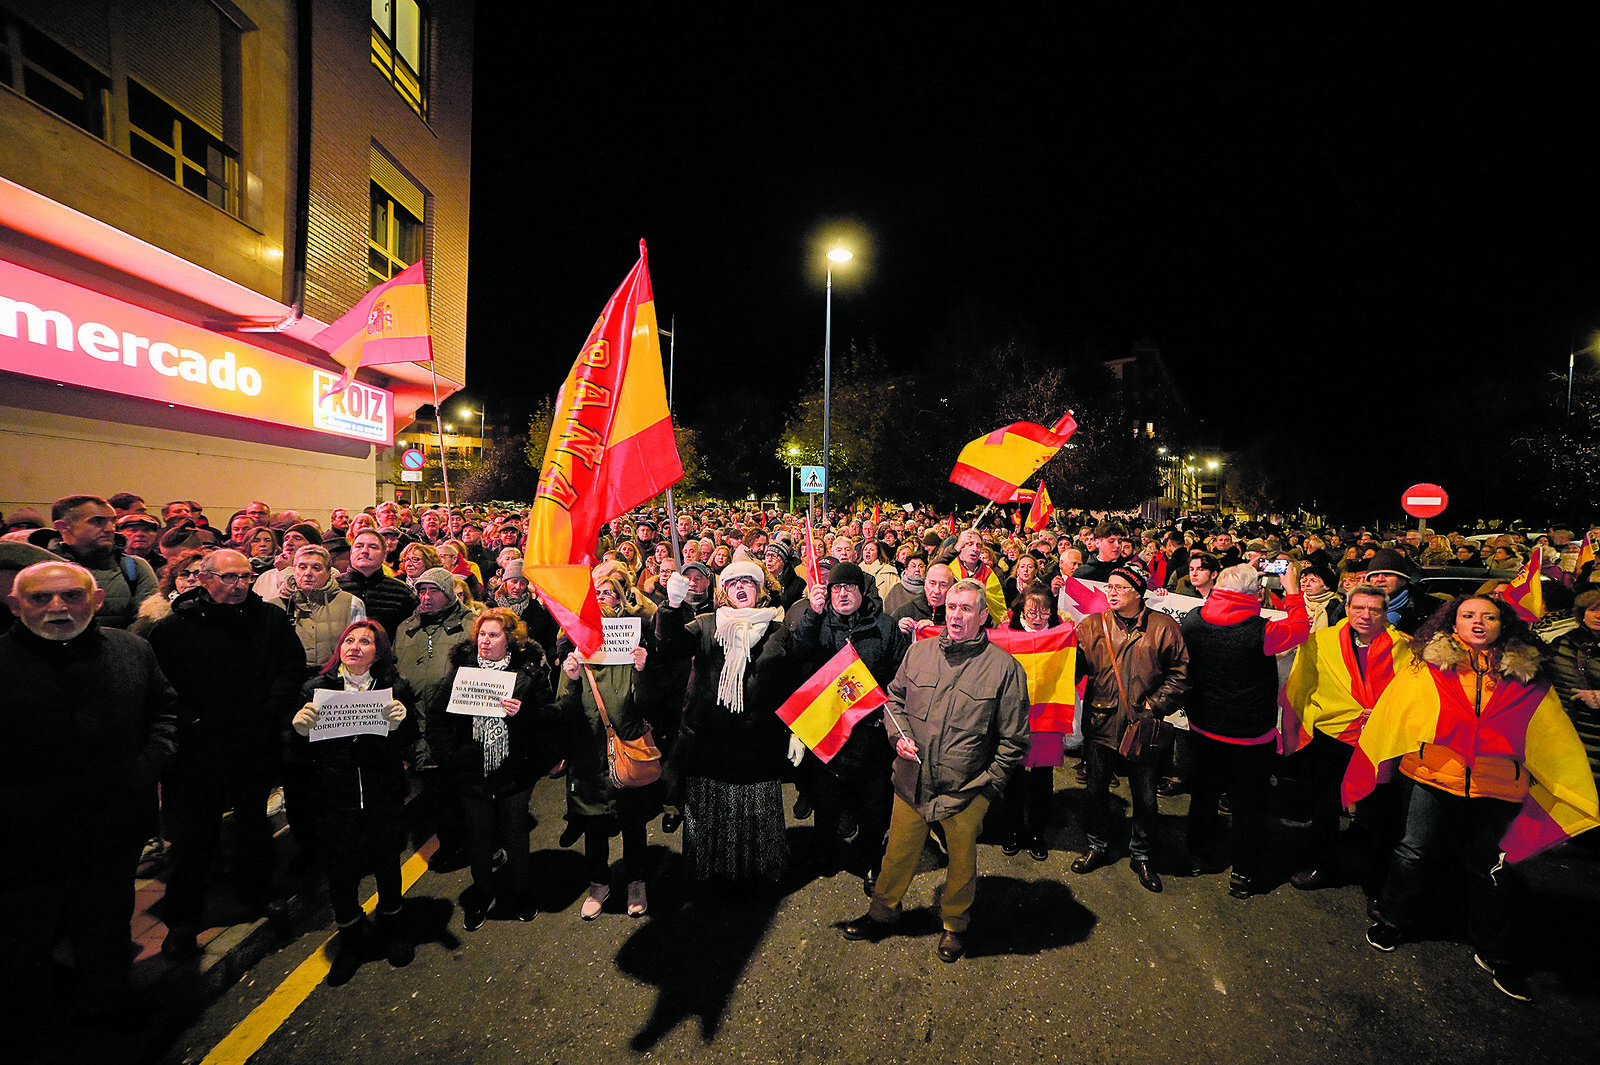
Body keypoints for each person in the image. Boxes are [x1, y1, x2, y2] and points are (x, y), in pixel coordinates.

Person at [1351, 595, 1600, 1001]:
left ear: (1504, 624)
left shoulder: (1528, 674)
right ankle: (1393, 919)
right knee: (1414, 852)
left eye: (1488, 616)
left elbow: (1548, 733)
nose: (1478, 622)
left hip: (1498, 786)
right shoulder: (1427, 666)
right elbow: (1394, 714)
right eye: (1468, 615)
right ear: (1454, 622)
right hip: (1431, 777)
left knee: (1490, 868)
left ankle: (1492, 949)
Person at [0, 561, 180, 1044]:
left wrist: (149, 766)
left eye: (71, 596)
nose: (58, 607)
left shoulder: (131, 650)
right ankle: (31, 1030)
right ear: (15, 605)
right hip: (25, 839)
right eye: (41, 598)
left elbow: (164, 712)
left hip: (113, 828)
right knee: (24, 942)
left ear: (96, 600)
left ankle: (108, 1011)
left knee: (104, 929)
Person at [842, 580, 1029, 963]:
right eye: (952, 606)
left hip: (966, 789)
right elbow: (893, 700)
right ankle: (882, 913)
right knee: (896, 854)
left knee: (962, 864)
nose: (956, 614)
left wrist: (988, 788)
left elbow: (1014, 739)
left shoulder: (1005, 669)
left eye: (966, 609)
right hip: (912, 781)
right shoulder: (919, 654)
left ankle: (954, 926)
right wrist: (898, 739)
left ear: (982, 616)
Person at [145, 549, 306, 957]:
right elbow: (159, 686)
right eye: (229, 578)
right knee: (193, 838)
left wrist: (269, 711)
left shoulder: (269, 619)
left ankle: (259, 894)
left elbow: (291, 665)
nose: (238, 586)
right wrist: (191, 721)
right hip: (196, 751)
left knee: (252, 826)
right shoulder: (172, 628)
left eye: (245, 577)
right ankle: (183, 918)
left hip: (252, 743)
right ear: (204, 578)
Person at [289, 621, 415, 984]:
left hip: (381, 793)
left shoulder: (393, 688)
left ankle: (393, 927)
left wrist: (401, 725)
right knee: (341, 871)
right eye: (349, 640)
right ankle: (352, 938)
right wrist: (298, 731)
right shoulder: (316, 689)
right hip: (334, 797)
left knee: (387, 861)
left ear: (379, 652)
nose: (355, 646)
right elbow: (297, 752)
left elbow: (409, 737)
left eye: (365, 641)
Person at [657, 560, 798, 884]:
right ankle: (710, 876)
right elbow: (671, 645)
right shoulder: (707, 624)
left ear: (760, 590)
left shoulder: (776, 631)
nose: (740, 588)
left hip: (757, 745)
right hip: (710, 743)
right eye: (734, 583)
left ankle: (759, 875)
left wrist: (794, 730)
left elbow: (787, 682)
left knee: (756, 814)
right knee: (711, 814)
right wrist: (671, 606)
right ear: (724, 591)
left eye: (748, 582)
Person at [1180, 562, 1309, 899]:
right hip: (1250, 735)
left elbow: (1213, 605)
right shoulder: (1261, 631)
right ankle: (1243, 871)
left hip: (1203, 725)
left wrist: (1234, 576)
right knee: (1248, 804)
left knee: (1204, 794)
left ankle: (1198, 851)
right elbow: (1300, 629)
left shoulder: (1194, 620)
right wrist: (1293, 590)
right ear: (1256, 594)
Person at [1280, 583, 1411, 901]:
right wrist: (1291, 731)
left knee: (1380, 815)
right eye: (1358, 608)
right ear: (1347, 608)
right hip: (1331, 738)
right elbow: (1300, 684)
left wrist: (1384, 711)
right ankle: (1323, 865)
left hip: (1380, 741)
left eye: (1374, 609)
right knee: (1325, 808)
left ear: (1386, 613)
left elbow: (1414, 695)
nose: (1365, 615)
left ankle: (1377, 883)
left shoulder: (1405, 647)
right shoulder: (1321, 641)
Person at [432, 609, 557, 929]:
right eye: (482, 635)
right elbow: (439, 718)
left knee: (515, 832)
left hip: (514, 769)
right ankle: (482, 892)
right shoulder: (461, 670)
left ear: (510, 639)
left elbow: (548, 719)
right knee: (479, 835)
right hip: (472, 770)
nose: (485, 641)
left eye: (493, 635)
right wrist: (450, 757)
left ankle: (521, 891)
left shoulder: (528, 673)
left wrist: (524, 713)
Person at [791, 561, 911, 894]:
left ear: (862, 590)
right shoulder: (818, 623)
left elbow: (900, 675)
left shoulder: (884, 627)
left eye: (850, 587)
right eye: (836, 588)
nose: (843, 593)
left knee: (873, 806)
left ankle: (872, 862)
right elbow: (798, 652)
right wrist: (814, 616)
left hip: (870, 735)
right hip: (828, 731)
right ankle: (824, 854)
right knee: (826, 802)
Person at [1072, 564, 1190, 892]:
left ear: (1138, 593)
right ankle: (1097, 845)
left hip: (1144, 727)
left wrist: (1152, 708)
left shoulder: (1164, 627)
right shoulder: (1091, 625)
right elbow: (1071, 667)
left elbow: (1180, 674)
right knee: (1096, 790)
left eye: (1120, 587)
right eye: (1109, 586)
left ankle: (1142, 854)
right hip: (1100, 722)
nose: (1110, 592)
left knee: (1146, 796)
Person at [558, 629, 658, 920]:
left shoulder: (629, 656)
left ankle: (636, 883)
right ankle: (599, 884)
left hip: (626, 756)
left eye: (608, 594)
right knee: (594, 827)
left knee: (633, 824)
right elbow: (565, 713)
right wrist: (572, 680)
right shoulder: (575, 660)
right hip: (590, 759)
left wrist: (642, 671)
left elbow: (649, 705)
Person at [1000, 586, 1075, 862]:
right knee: (1013, 778)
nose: (1038, 616)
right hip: (1014, 719)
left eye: (1045, 610)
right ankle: (1012, 830)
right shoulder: (1006, 634)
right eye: (1031, 609)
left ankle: (1036, 833)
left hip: (1047, 718)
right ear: (1021, 608)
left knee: (1043, 780)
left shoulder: (1061, 634)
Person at [27, 494, 158, 629]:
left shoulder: (134, 567)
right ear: (63, 527)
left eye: (112, 522)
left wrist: (117, 646)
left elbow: (146, 621)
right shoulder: (37, 568)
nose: (109, 529)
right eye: (97, 521)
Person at [339, 528, 418, 642]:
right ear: (351, 552)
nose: (364, 551)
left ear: (384, 555)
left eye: (373, 547)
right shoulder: (333, 588)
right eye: (359, 546)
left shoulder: (402, 593)